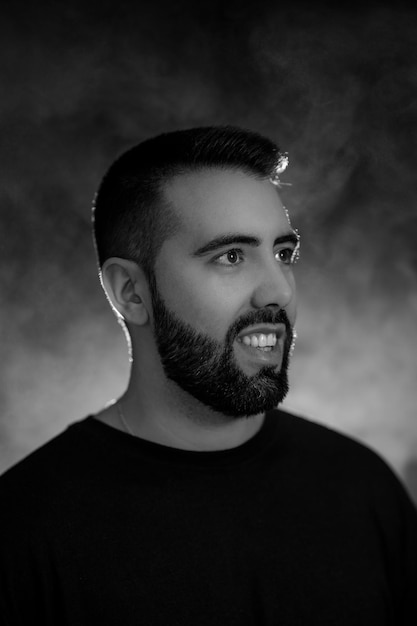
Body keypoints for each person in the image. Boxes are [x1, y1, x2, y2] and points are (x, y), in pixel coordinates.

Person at [1, 126, 416, 625]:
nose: (278, 292)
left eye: (283, 254)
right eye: (231, 257)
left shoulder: (360, 487)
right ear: (131, 292)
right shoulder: (24, 529)